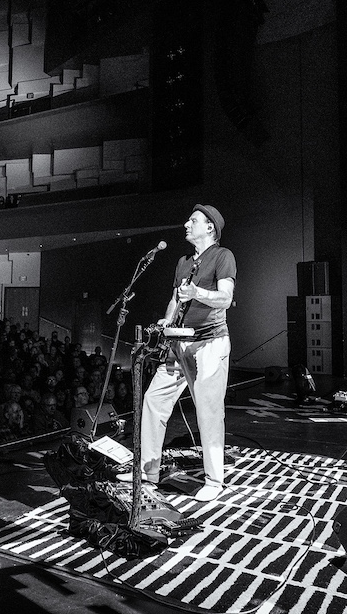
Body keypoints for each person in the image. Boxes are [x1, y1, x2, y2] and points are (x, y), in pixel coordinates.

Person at [121, 204, 236, 503]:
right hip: (178, 343)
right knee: (154, 399)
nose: (186, 224)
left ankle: (214, 480)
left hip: (209, 343)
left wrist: (198, 293)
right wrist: (167, 320)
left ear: (210, 227)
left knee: (209, 411)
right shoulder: (183, 262)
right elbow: (174, 299)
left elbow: (225, 298)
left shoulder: (223, 256)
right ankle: (148, 472)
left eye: (193, 220)